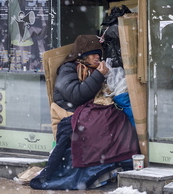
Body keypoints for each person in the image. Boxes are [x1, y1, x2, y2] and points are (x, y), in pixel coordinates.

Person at [30, 35, 140, 190]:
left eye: (99, 54)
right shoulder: (68, 69)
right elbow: (76, 95)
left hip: (87, 110)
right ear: (82, 55)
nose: (98, 57)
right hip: (70, 111)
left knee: (116, 117)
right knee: (99, 124)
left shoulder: (93, 68)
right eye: (93, 54)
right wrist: (98, 75)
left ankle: (116, 163)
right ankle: (95, 168)